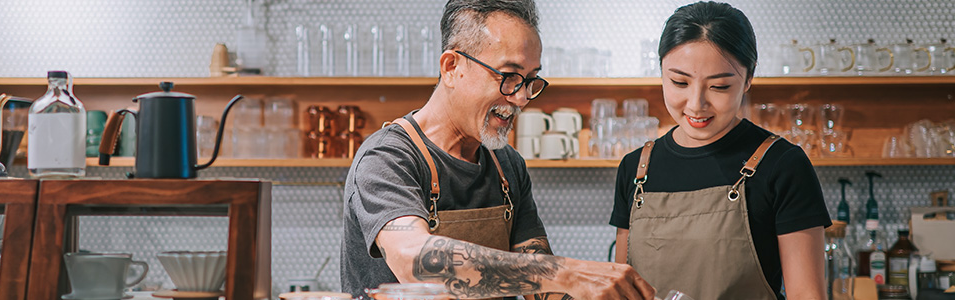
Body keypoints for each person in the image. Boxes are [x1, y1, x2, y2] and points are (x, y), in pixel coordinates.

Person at [341, 1, 656, 299]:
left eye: (530, 81)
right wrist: (567, 272)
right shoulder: (388, 157)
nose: (521, 99)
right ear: (451, 67)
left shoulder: (506, 164)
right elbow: (416, 260)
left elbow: (540, 286)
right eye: (509, 77)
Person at [610, 2, 831, 300]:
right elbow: (623, 290)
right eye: (679, 82)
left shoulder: (783, 165)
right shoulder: (636, 168)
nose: (696, 104)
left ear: (748, 78)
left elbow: (807, 295)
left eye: (720, 87)